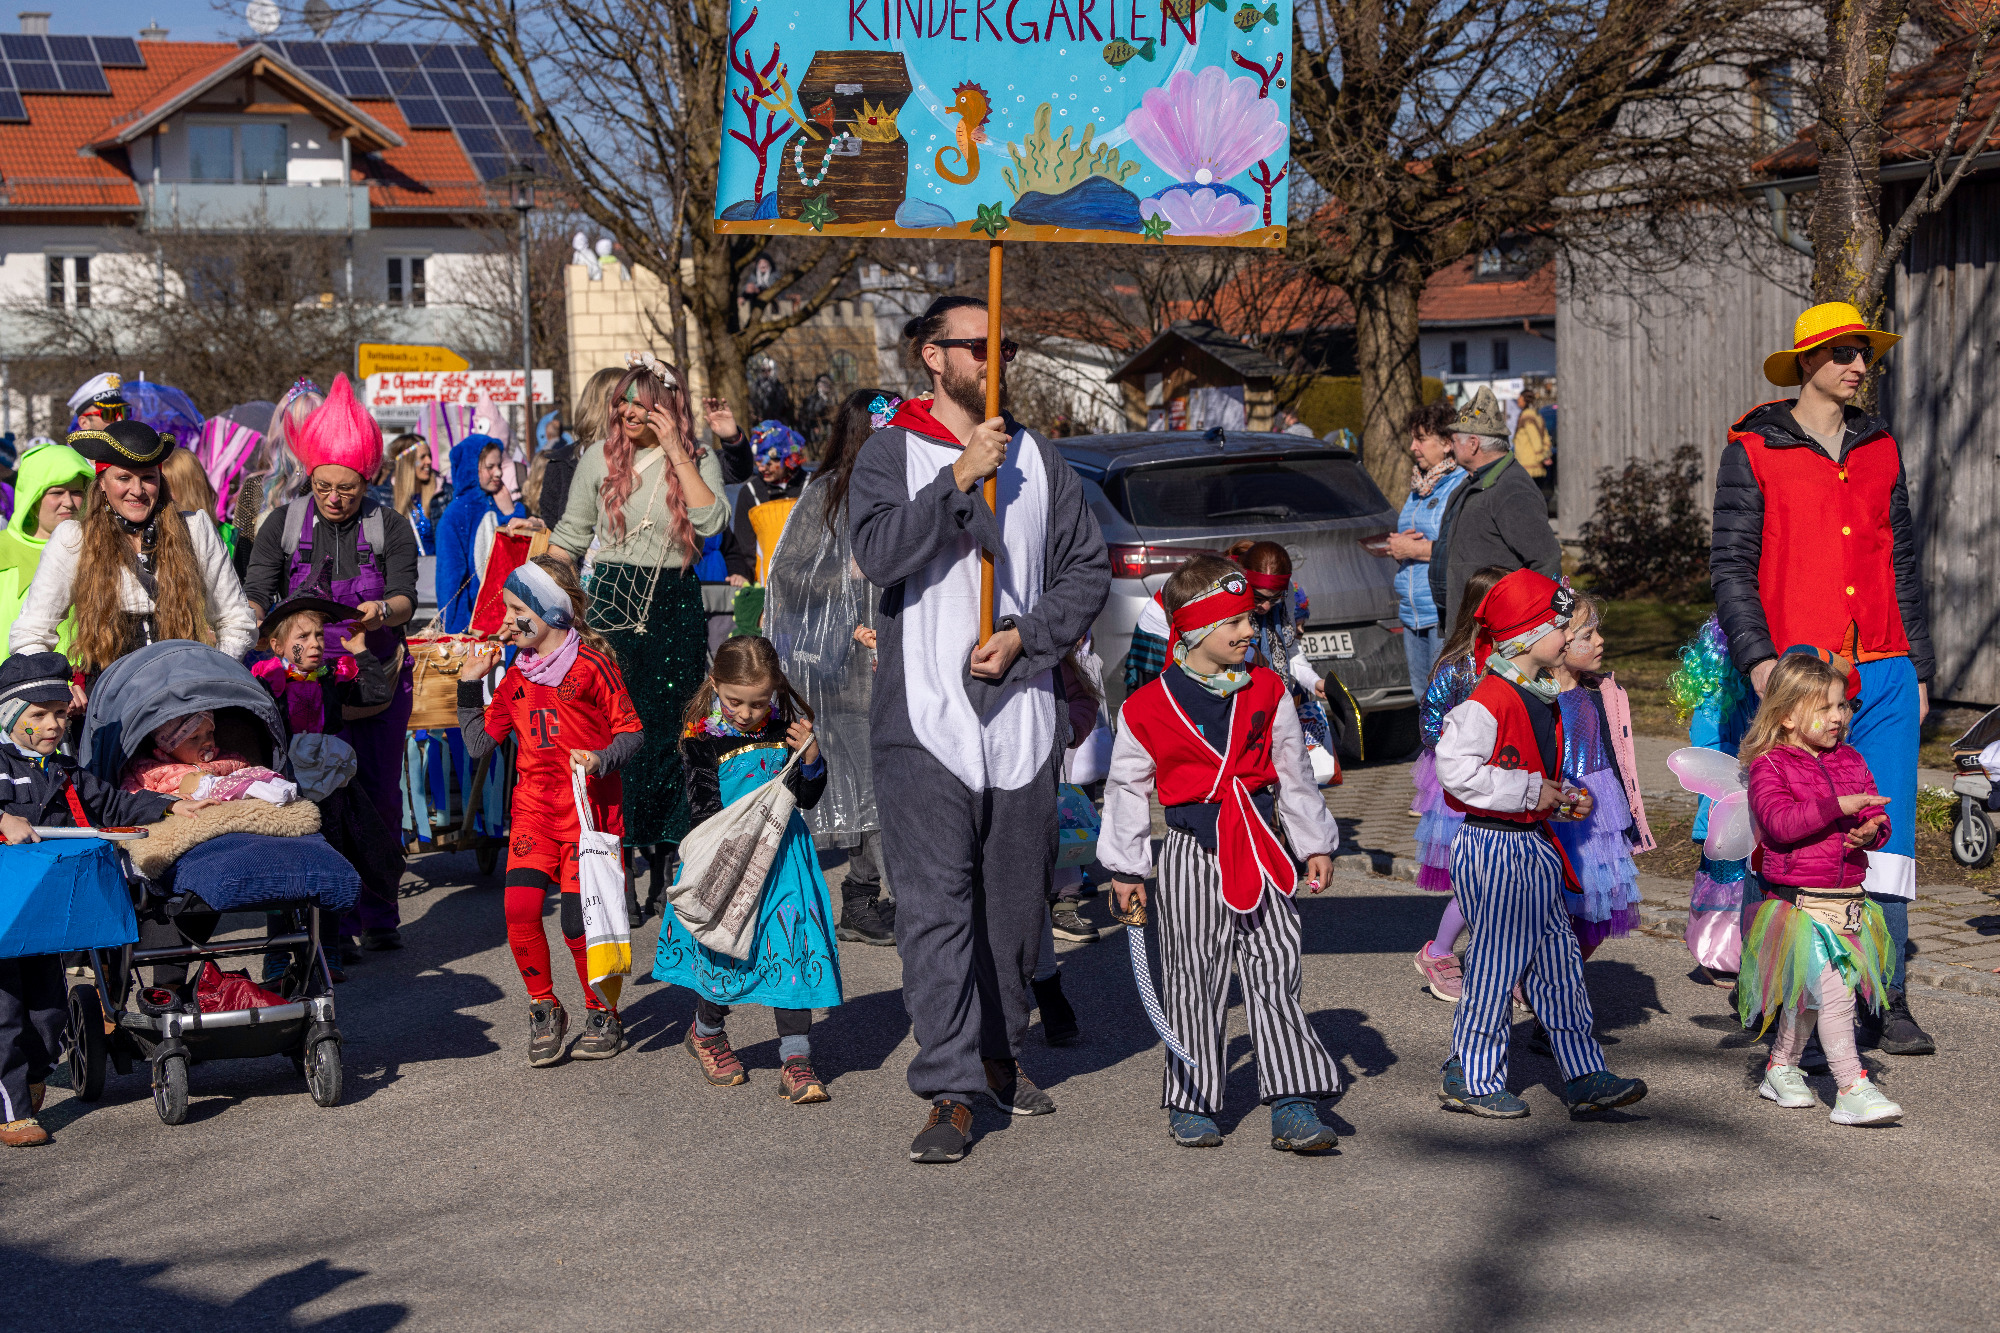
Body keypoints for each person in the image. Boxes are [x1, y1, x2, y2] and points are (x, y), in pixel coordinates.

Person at [848, 294, 1110, 1164]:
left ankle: (1000, 1052)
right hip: (925, 719)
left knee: (1015, 913)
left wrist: (1029, 637)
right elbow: (879, 553)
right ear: (933, 355)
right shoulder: (891, 452)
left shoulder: (1041, 458)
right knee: (935, 909)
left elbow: (1085, 570)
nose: (995, 359)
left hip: (1022, 716)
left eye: (1006, 345)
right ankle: (950, 1087)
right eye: (978, 345)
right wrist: (957, 477)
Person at [1712, 300, 1936, 1056]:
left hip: (1884, 666)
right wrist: (1759, 659)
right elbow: (1731, 566)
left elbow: (1901, 562)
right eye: (1843, 352)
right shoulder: (1754, 447)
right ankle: (1771, 987)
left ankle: (1886, 995)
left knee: (1888, 831)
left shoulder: (1881, 446)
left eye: (1864, 353)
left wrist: (1919, 666)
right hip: (1795, 672)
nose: (1858, 365)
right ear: (1807, 360)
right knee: (1786, 827)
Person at [1099, 557, 1344, 1151]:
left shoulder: (1267, 689)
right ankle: (1193, 1096)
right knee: (1194, 974)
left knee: (1275, 966)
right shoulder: (1146, 707)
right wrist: (1126, 868)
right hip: (1190, 852)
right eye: (1233, 621)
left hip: (1262, 847)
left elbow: (1293, 772)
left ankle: (1292, 1097)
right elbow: (1127, 787)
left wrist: (1314, 842)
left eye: (1249, 619)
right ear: (1193, 629)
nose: (1248, 630)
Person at [1433, 569, 1647, 1119]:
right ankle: (1471, 1076)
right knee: (1497, 964)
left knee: (1560, 965)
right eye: (1559, 626)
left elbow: (1528, 769)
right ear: (1529, 637)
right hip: (1497, 848)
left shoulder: (1536, 693)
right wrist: (1531, 790)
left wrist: (1558, 796)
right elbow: (1454, 771)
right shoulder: (1489, 698)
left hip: (1533, 845)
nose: (1568, 635)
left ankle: (1583, 1074)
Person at [241, 375, 419, 950]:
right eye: (323, 486)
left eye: (347, 488)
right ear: (309, 475)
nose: (335, 498)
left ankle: (380, 913)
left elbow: (406, 596)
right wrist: (250, 621)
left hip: (375, 677)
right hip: (307, 686)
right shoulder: (283, 522)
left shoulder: (389, 526)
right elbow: (257, 589)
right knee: (319, 798)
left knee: (378, 796)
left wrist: (382, 611)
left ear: (366, 480)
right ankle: (332, 925)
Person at [0, 652, 205, 1147]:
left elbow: (114, 804)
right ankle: (12, 1110)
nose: (53, 725)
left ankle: (35, 1072)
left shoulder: (65, 771)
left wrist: (170, 805)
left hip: (46, 913)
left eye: (59, 713)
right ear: (9, 717)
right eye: (38, 715)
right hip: (4, 911)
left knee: (48, 1013)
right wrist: (2, 819)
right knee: (5, 1012)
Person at [549, 355, 730, 890]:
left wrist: (677, 451)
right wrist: (535, 597)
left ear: (667, 409)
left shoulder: (697, 457)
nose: (628, 410)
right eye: (623, 400)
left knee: (674, 730)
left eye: (641, 402)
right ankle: (619, 861)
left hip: (674, 605)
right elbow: (570, 537)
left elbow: (712, 522)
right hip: (610, 605)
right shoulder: (598, 459)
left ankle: (672, 851)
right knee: (613, 728)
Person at [457, 557, 644, 1065]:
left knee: (577, 925)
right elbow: (479, 744)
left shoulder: (592, 666)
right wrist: (469, 685)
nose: (507, 619)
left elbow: (632, 731)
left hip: (588, 816)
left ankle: (603, 1013)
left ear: (550, 612)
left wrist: (601, 758)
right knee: (519, 908)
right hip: (534, 813)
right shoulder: (515, 676)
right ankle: (544, 1007)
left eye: (516, 609)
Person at [656, 636, 843, 1104]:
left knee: (792, 948)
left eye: (759, 703)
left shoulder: (787, 730)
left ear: (775, 689)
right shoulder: (701, 738)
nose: (745, 713)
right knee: (725, 949)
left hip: (784, 862)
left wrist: (812, 759)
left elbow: (807, 799)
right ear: (714, 684)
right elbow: (703, 811)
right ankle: (707, 1033)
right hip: (730, 860)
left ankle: (796, 1059)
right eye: (734, 701)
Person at [1735, 652, 1903, 1126]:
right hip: (1799, 905)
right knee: (1834, 992)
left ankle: (1780, 1067)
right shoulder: (1771, 765)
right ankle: (1851, 1086)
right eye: (1824, 707)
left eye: (1841, 706)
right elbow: (1781, 824)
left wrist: (1872, 830)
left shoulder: (1850, 759)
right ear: (1787, 715)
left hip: (1847, 900)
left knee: (1809, 996)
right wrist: (1837, 806)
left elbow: (1875, 813)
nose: (1837, 716)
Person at [762, 388, 893, 947]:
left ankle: (878, 895)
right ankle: (864, 899)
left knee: (889, 782)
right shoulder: (826, 493)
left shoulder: (907, 484)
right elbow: (787, 575)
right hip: (842, 668)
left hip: (895, 656)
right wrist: (847, 575)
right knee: (865, 782)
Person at [10, 421, 257, 675]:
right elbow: (30, 633)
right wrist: (58, 687)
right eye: (124, 478)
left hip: (185, 689)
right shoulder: (74, 540)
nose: (137, 490)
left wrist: (212, 674)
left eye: (148, 477)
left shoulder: (195, 530)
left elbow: (236, 620)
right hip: (108, 695)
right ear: (102, 482)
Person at [249, 592, 404, 982]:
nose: (315, 643)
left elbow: (378, 694)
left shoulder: (335, 675)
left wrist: (361, 651)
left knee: (330, 864)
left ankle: (328, 949)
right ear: (278, 646)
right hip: (283, 787)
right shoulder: (266, 681)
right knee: (281, 869)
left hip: (328, 789)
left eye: (319, 635)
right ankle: (278, 954)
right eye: (303, 637)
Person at [1410, 565, 1510, 1003]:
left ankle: (1503, 961)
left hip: (1507, 778)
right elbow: (1430, 726)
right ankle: (1439, 951)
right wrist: (1468, 753)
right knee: (1477, 879)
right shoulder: (1455, 666)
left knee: (1507, 878)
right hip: (1460, 786)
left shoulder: (1517, 661)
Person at [1549, 594, 1652, 961]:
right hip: (1555, 808)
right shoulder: (1537, 697)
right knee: (1550, 903)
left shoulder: (1600, 691)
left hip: (1601, 811)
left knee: (1603, 905)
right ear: (1558, 643)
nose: (1600, 641)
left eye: (1598, 632)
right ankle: (1533, 974)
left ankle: (1562, 972)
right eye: (1588, 635)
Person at [1428, 385, 1561, 634]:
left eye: (1454, 440)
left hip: (1495, 634)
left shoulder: (1512, 489)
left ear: (1473, 444)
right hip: (1466, 629)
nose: (1451, 447)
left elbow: (1545, 560)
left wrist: (1531, 631)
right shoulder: (1475, 482)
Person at [1668, 617, 1756, 987]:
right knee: (1726, 879)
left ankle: (1749, 948)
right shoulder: (1713, 700)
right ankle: (1719, 953)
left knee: (1751, 878)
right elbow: (1708, 753)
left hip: (1761, 802)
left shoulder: (1761, 693)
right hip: (1729, 804)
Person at [1378, 402, 1467, 723]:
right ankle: (1433, 751)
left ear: (1447, 443)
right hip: (1412, 611)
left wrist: (1414, 549)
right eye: (1412, 438)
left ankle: (1449, 754)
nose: (1413, 447)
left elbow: (1463, 549)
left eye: (1421, 439)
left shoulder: (1459, 485)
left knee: (1447, 703)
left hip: (1441, 611)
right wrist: (1397, 546)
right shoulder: (1419, 486)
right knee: (1424, 701)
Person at [1226, 540, 1339, 781]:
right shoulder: (1229, 599)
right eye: (1259, 597)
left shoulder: (1285, 598)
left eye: (1274, 598)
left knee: (1286, 776)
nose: (1266, 606)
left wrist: (1315, 682)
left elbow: (1291, 653)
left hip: (1274, 703)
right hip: (1237, 704)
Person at [436, 432, 538, 634]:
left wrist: (510, 512)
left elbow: (516, 555)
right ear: (471, 468)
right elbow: (450, 580)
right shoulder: (455, 515)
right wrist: (456, 631)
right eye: (490, 467)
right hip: (475, 624)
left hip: (511, 617)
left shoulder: (499, 503)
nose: (498, 472)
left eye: (499, 465)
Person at [0, 440, 91, 659]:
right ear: (33, 497)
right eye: (57, 492)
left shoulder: (99, 549)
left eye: (76, 492)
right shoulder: (3, 549)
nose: (68, 502)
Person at [733, 420, 809, 583]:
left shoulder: (813, 486)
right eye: (758, 461)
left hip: (810, 586)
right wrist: (742, 575)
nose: (761, 468)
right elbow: (744, 550)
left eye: (769, 462)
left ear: (788, 458)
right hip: (768, 586)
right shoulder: (751, 493)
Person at [389, 435, 444, 555]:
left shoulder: (443, 494)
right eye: (423, 457)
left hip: (435, 564)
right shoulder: (385, 497)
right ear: (407, 462)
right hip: (402, 566)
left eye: (429, 456)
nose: (429, 461)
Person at [1511, 388, 1553, 484]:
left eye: (1520, 399)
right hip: (1535, 465)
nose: (1518, 401)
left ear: (1525, 400)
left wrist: (1541, 456)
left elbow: (1535, 438)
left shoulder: (1527, 417)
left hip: (1529, 465)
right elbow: (1545, 437)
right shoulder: (1537, 416)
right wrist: (1546, 453)